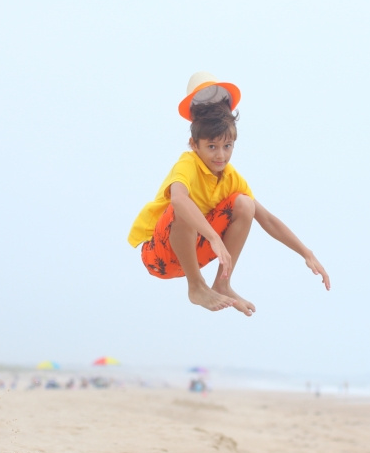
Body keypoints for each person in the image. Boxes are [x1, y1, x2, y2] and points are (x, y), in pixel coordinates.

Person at [128, 72, 330, 316]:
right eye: (211, 147)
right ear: (194, 145)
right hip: (159, 253)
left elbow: (267, 220)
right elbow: (179, 200)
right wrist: (213, 237)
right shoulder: (188, 164)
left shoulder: (231, 177)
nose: (220, 156)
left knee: (246, 204)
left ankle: (222, 283)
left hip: (194, 252)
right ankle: (196, 286)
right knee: (182, 205)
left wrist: (306, 253)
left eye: (227, 146)